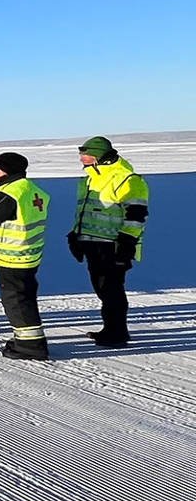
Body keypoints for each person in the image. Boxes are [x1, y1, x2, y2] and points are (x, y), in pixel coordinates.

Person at [0, 152, 51, 360]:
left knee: (16, 301)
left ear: (8, 170)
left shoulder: (10, 194)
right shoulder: (32, 190)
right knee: (25, 298)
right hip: (29, 254)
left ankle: (30, 345)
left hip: (11, 257)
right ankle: (28, 339)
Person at [71, 136, 149, 347]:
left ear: (98, 155)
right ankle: (110, 328)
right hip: (92, 244)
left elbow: (136, 215)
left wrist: (126, 243)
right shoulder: (90, 178)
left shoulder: (127, 179)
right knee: (103, 288)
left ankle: (117, 332)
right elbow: (85, 211)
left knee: (112, 289)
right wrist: (75, 234)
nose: (81, 158)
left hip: (113, 245)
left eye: (85, 154)